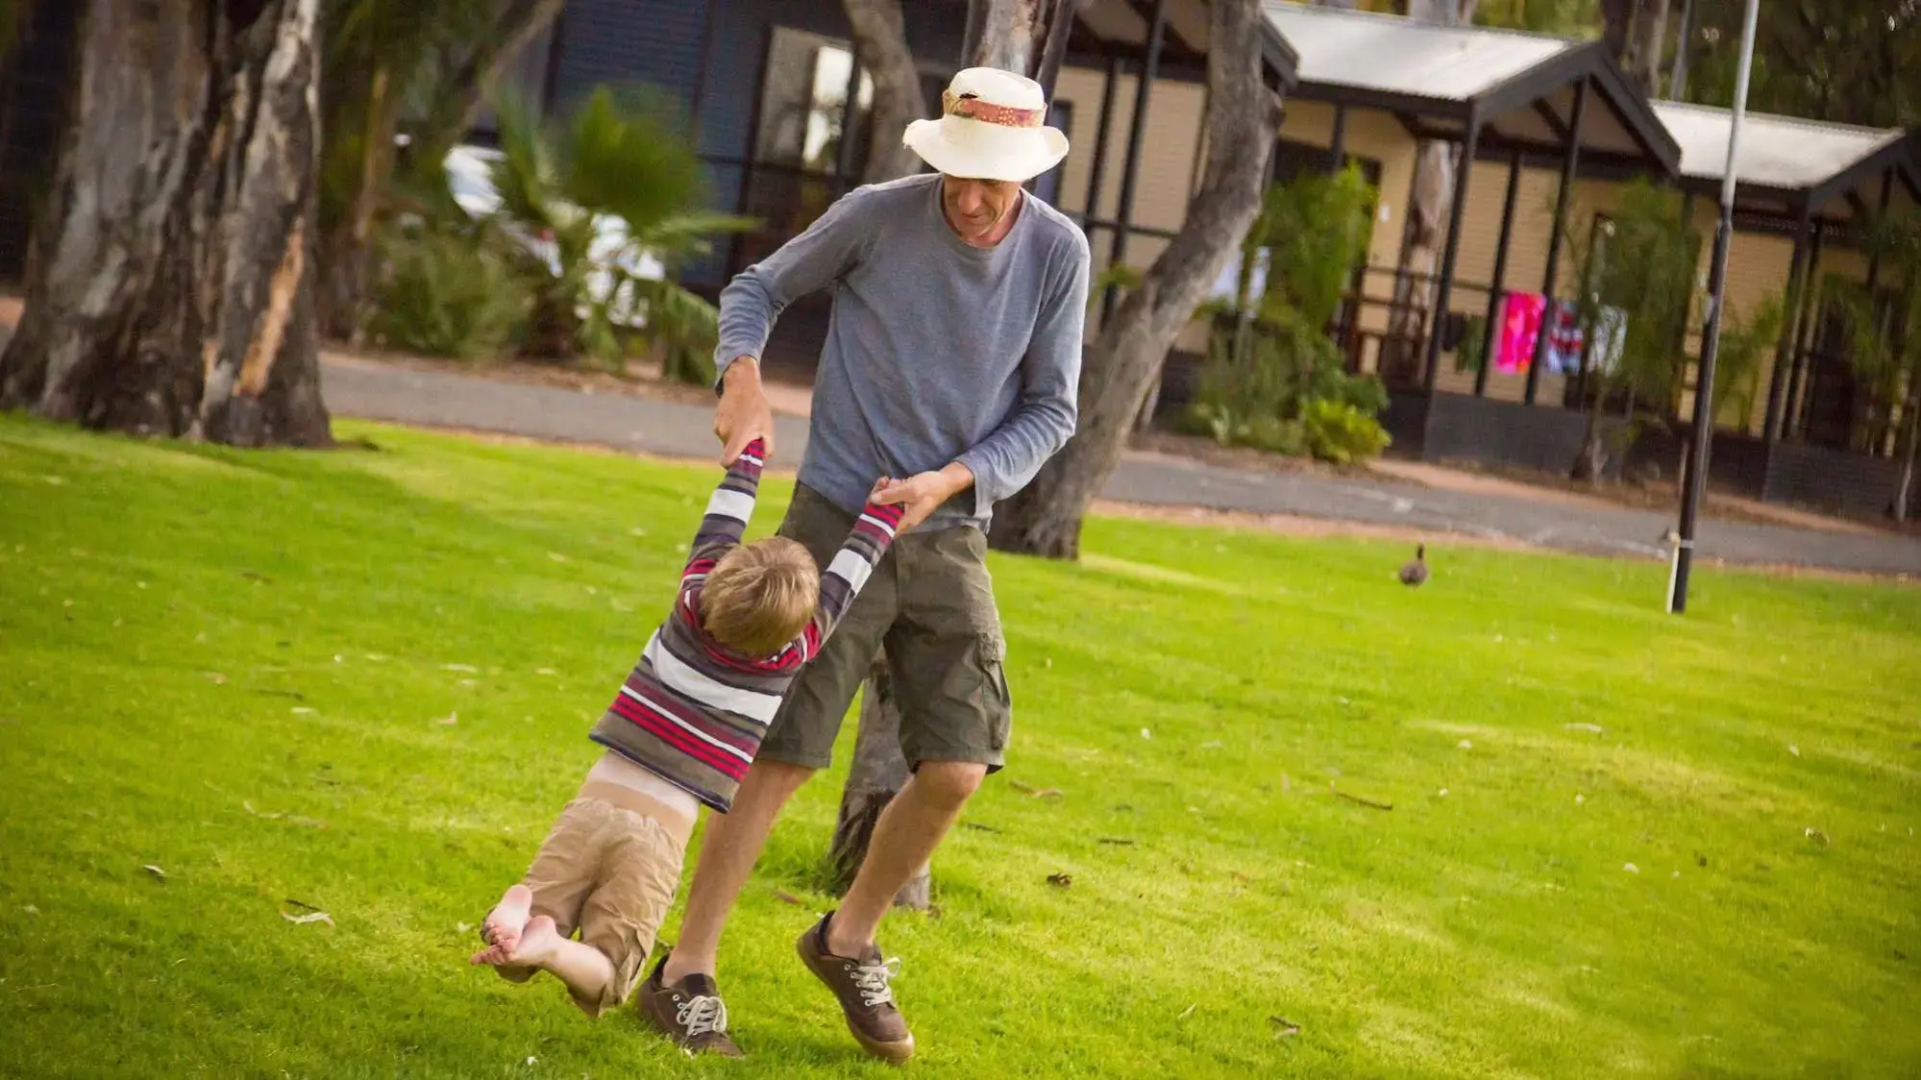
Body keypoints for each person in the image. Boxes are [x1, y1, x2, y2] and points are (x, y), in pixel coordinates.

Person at [648, 67, 1090, 1062]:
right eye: (956, 176)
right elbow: (757, 288)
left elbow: (1052, 410)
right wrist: (745, 380)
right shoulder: (876, 217)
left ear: (1025, 171)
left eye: (992, 182)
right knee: (779, 760)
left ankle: (845, 939)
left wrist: (955, 479)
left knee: (960, 766)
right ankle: (684, 973)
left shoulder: (1058, 254)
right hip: (830, 524)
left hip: (944, 531)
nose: (970, 199)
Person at [468, 438, 902, 1057]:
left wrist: (749, 457)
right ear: (797, 629)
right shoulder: (792, 655)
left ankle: (522, 917)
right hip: (656, 839)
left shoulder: (690, 602)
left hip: (592, 806)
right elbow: (848, 578)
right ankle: (550, 945)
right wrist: (882, 513)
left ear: (720, 576)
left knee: (514, 952)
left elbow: (723, 517)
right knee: (608, 976)